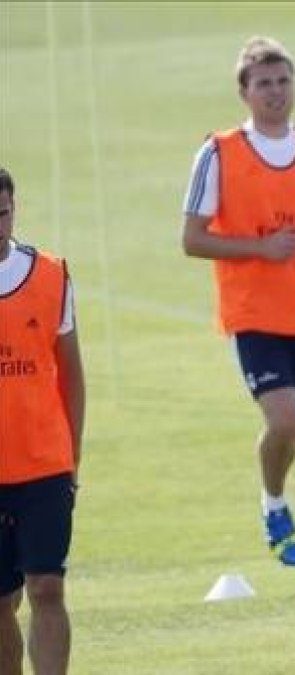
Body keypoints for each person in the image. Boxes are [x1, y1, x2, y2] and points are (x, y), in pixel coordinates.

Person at [181, 36, 295, 592]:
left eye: (283, 81)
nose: (276, 92)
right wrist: (260, 249)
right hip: (254, 314)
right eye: (264, 83)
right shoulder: (219, 151)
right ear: (244, 92)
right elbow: (191, 238)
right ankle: (273, 499)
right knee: (283, 419)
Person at [0, 167, 86, 675]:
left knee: (47, 587)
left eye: (3, 212)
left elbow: (71, 374)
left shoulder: (52, 275)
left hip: (44, 465)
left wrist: (71, 459)